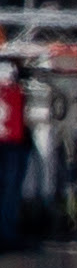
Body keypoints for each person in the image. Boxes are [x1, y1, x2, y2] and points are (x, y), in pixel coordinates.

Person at [0, 65, 29, 257]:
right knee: (9, 189)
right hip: (8, 143)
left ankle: (7, 233)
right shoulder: (11, 91)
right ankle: (6, 234)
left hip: (13, 143)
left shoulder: (15, 91)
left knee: (11, 189)